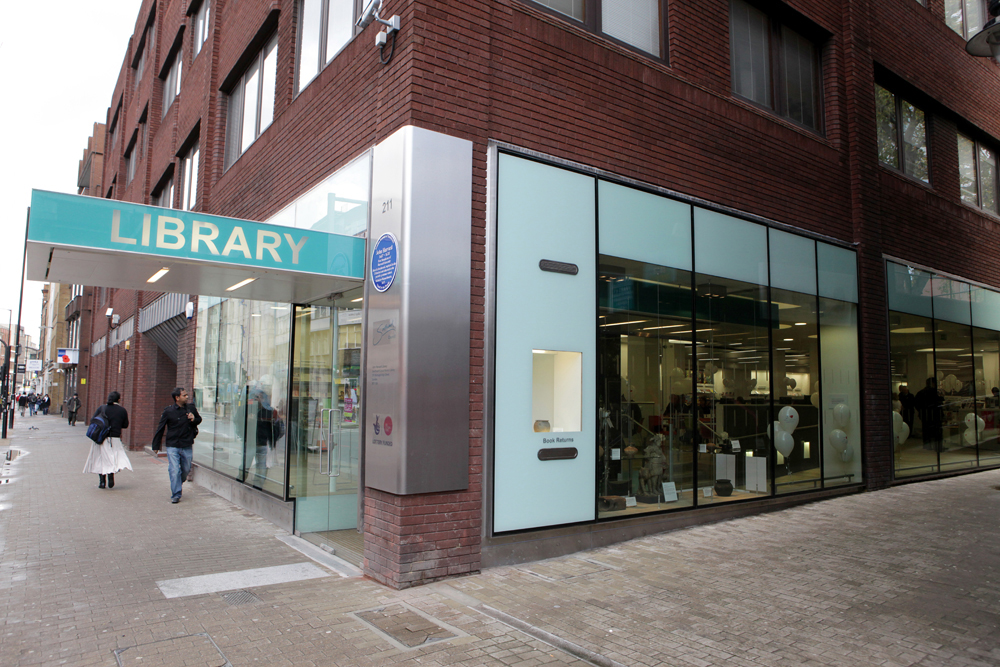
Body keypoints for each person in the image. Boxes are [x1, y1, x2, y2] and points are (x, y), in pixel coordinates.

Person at [151, 387, 202, 504]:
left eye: (187, 395)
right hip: (172, 445)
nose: (187, 397)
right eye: (184, 395)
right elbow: (160, 428)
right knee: (174, 470)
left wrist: (194, 419)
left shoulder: (191, 408)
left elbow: (199, 419)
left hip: (187, 444)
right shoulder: (168, 411)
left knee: (186, 469)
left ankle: (178, 482)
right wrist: (156, 445)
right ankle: (176, 494)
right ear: (177, 398)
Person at [82, 391, 132, 489]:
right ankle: (111, 476)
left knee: (100, 459)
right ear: (118, 399)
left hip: (101, 438)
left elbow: (93, 420)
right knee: (113, 459)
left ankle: (102, 482)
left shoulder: (102, 408)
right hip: (115, 439)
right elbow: (125, 425)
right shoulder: (122, 410)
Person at [915, 377, 944, 452]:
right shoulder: (936, 393)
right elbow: (940, 402)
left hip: (925, 415)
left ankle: (927, 445)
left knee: (926, 430)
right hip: (936, 415)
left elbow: (916, 404)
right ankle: (938, 446)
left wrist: (921, 411)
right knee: (937, 431)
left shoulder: (921, 393)